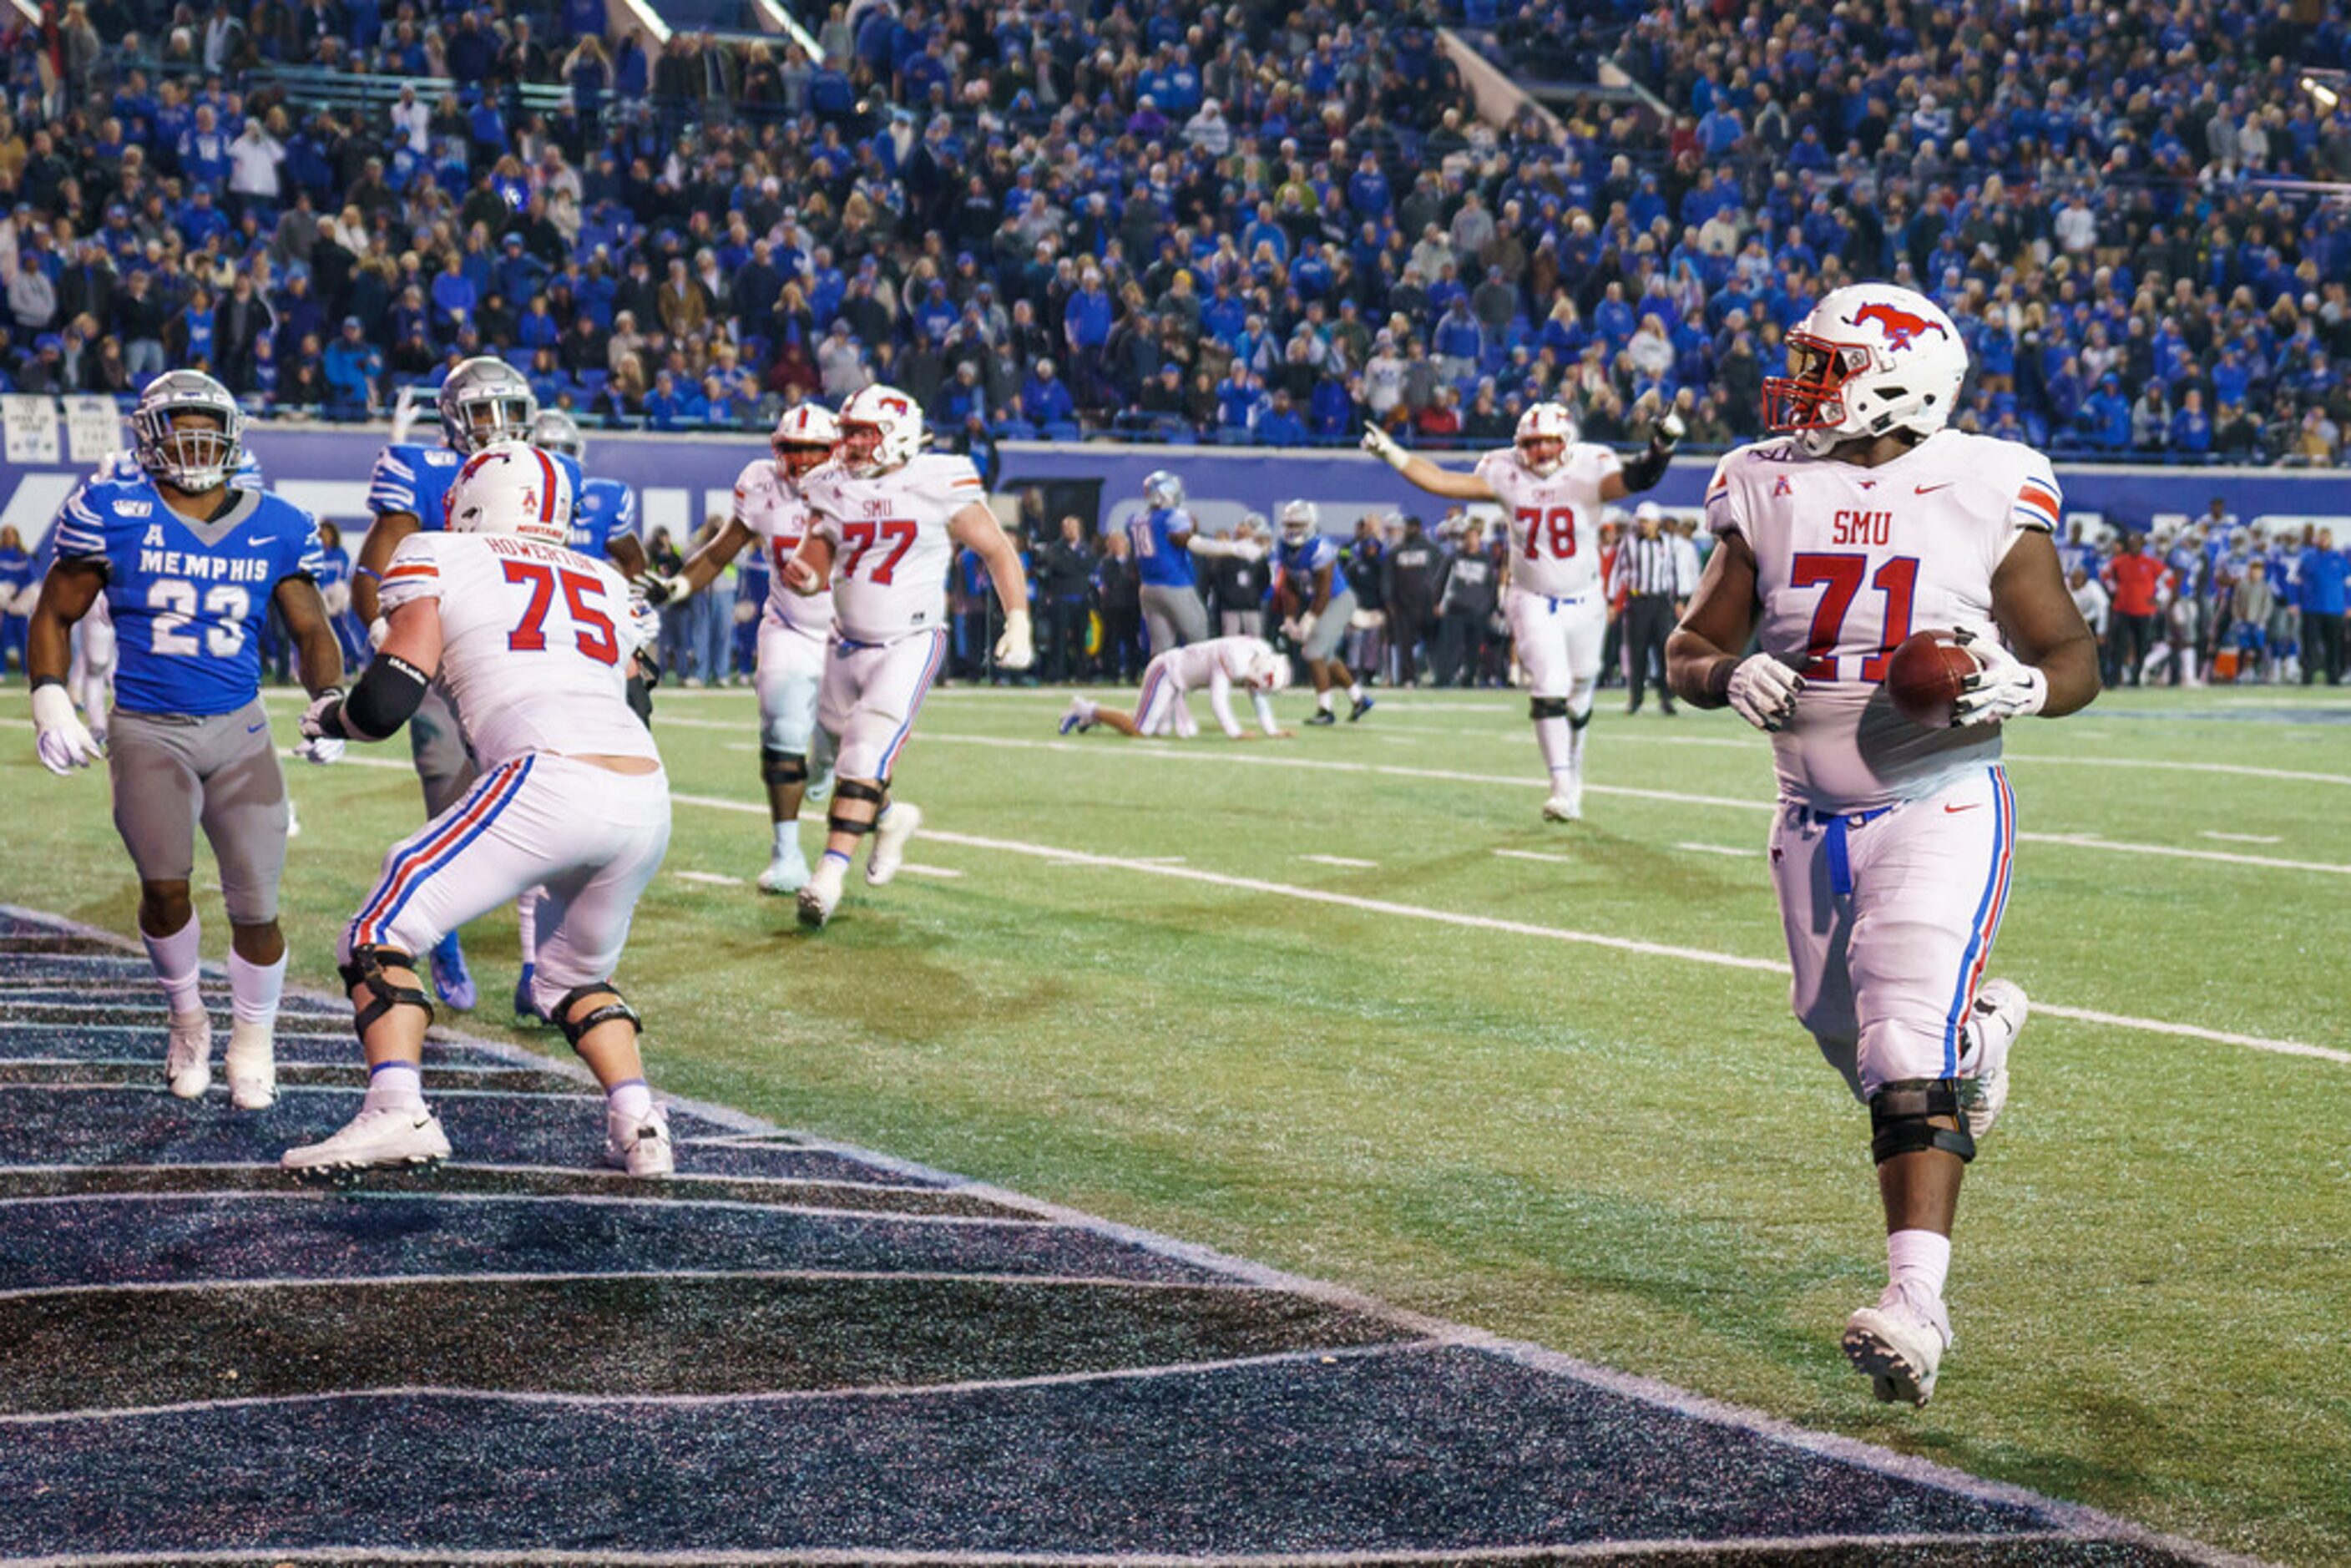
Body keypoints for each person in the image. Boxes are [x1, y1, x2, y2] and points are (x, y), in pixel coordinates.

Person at [1666, 283, 2099, 1408]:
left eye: (1826, 365)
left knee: (1902, 1043)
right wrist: (1726, 673)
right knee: (1844, 1035)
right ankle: (1981, 1040)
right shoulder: (1759, 478)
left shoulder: (1987, 478)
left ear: (1900, 375)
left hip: (1939, 795)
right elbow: (1690, 642)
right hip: (1808, 813)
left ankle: (1917, 1304)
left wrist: (2023, 683)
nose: (1802, 385)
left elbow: (2071, 656)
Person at [286, 443, 675, 1178]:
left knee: (377, 930)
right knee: (570, 979)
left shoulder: (438, 553)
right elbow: (640, 698)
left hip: (546, 771)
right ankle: (641, 1125)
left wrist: (332, 716)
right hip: (644, 791)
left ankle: (396, 1108)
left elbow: (388, 703)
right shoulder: (603, 576)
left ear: (472, 500)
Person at [28, 371, 346, 1111]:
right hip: (147, 728)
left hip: (239, 729)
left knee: (257, 905)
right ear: (148, 436)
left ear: (234, 436)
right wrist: (50, 694)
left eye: (207, 423)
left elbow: (310, 628)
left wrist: (329, 697)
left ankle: (254, 1040)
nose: (194, 438)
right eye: (179, 424)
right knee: (165, 891)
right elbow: (54, 610)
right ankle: (188, 1020)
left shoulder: (278, 522)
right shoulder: (113, 509)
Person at [354, 362, 580, 1012]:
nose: (498, 427)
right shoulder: (421, 470)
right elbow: (376, 564)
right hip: (441, 656)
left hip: (521, 659)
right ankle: (443, 931)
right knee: (448, 793)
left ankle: (537, 967)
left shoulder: (551, 474)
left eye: (509, 410)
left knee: (541, 800)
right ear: (453, 418)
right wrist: (382, 627)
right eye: (483, 412)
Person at [785, 385, 1034, 928]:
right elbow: (818, 564)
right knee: (833, 752)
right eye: (847, 433)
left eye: (862, 434)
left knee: (865, 751)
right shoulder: (828, 486)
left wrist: (1018, 618)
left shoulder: (937, 479)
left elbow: (996, 549)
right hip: (845, 640)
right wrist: (803, 575)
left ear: (896, 434)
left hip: (909, 640)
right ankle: (892, 819)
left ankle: (829, 875)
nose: (849, 445)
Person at [1366, 398, 1682, 820]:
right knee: (1550, 683)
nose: (1541, 452)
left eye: (1549, 442)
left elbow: (1637, 478)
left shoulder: (1591, 466)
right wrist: (1392, 452)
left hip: (1585, 598)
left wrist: (1661, 447)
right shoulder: (1504, 471)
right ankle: (1561, 785)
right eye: (1532, 444)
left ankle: (1573, 773)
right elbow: (1443, 481)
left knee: (1581, 688)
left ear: (1567, 442)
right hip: (1531, 597)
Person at [645, 402, 842, 894]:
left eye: (812, 451)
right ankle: (787, 854)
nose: (800, 463)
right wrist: (678, 588)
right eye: (791, 450)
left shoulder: (859, 487)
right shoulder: (761, 483)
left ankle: (826, 761)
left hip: (847, 631)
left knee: (837, 737)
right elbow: (721, 551)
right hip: (790, 624)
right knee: (782, 723)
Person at [1060, 635, 1293, 741]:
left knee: (1164, 731)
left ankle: (1093, 717)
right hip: (1167, 672)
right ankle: (1085, 709)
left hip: (1180, 683)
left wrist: (1271, 730)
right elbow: (1218, 701)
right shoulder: (1236, 659)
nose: (1253, 688)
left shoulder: (1258, 656)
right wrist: (1235, 732)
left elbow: (1257, 693)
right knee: (1141, 729)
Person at [1274, 500, 1373, 725]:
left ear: (1310, 524)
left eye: (1298, 524)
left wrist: (1309, 618)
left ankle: (1325, 710)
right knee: (1325, 656)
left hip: (1337, 600)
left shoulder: (1321, 547)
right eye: (1289, 524)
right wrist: (1289, 618)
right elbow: (1289, 585)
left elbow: (1324, 591)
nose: (1292, 530)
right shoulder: (1283, 546)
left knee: (1312, 653)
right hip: (1320, 601)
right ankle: (1359, 699)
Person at [1614, 501, 1695, 715]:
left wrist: (1678, 600)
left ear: (1656, 523)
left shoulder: (1668, 544)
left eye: (1647, 522)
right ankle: (1636, 699)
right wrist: (1612, 601)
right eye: (1641, 522)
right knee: (1637, 652)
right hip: (1638, 601)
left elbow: (1674, 573)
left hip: (1661, 603)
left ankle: (1666, 698)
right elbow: (1617, 571)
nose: (1643, 526)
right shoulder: (1628, 543)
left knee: (1664, 651)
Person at [1125, 468, 1208, 657]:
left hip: (1148, 586)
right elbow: (1186, 540)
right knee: (1199, 634)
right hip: (1175, 583)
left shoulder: (1135, 520)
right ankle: (1198, 678)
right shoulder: (1172, 516)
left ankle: (1160, 684)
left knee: (1161, 648)